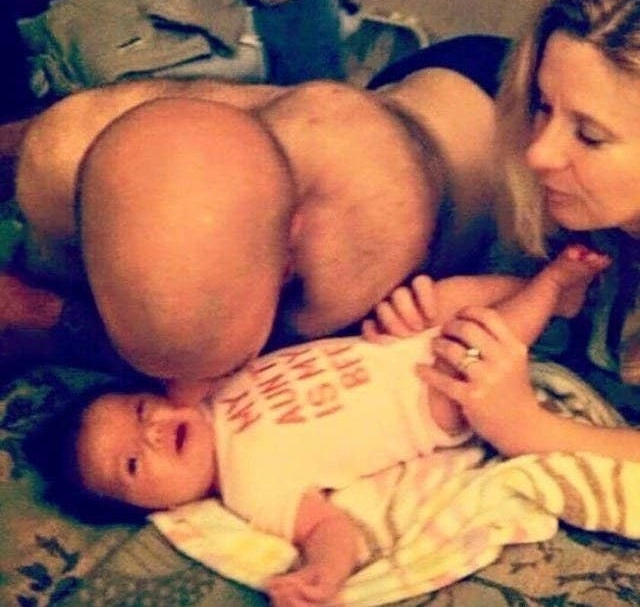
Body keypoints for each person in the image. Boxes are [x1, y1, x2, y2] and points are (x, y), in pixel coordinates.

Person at [35, 244, 607, 607]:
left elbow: (191, 342)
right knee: (478, 349)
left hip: (399, 343)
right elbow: (329, 529)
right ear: (151, 509)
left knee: (454, 300)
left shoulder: (209, 388)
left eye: (141, 411)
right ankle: (551, 287)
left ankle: (558, 302)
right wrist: (321, 574)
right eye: (134, 463)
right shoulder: (251, 489)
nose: (153, 432)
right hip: (434, 399)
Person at [5, 36, 510, 403]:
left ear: (289, 257)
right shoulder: (70, 143)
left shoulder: (351, 254)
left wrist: (51, 316)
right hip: (412, 89)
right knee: (53, 154)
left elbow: (254, 376)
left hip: (488, 96)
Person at [408, 0, 640, 463]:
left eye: (589, 135)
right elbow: (537, 290)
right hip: (457, 66)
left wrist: (530, 429)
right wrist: (448, 309)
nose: (539, 153)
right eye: (543, 107)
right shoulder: (573, 213)